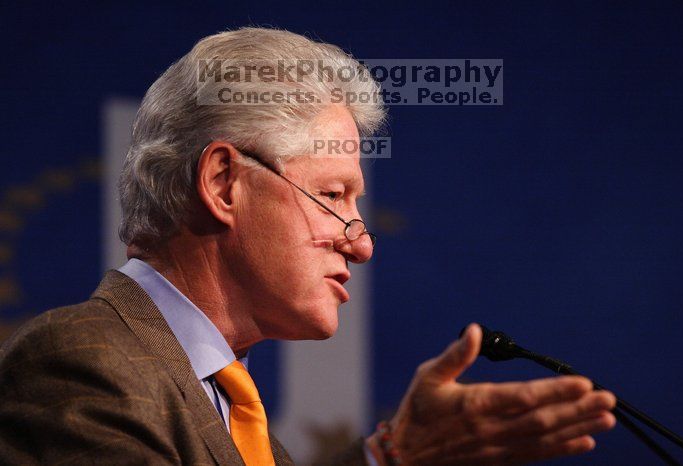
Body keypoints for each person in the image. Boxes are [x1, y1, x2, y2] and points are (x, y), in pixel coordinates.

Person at [0, 27, 616, 465]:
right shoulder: (82, 365)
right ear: (224, 183)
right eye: (333, 194)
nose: (362, 246)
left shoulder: (230, 409)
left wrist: (390, 457)